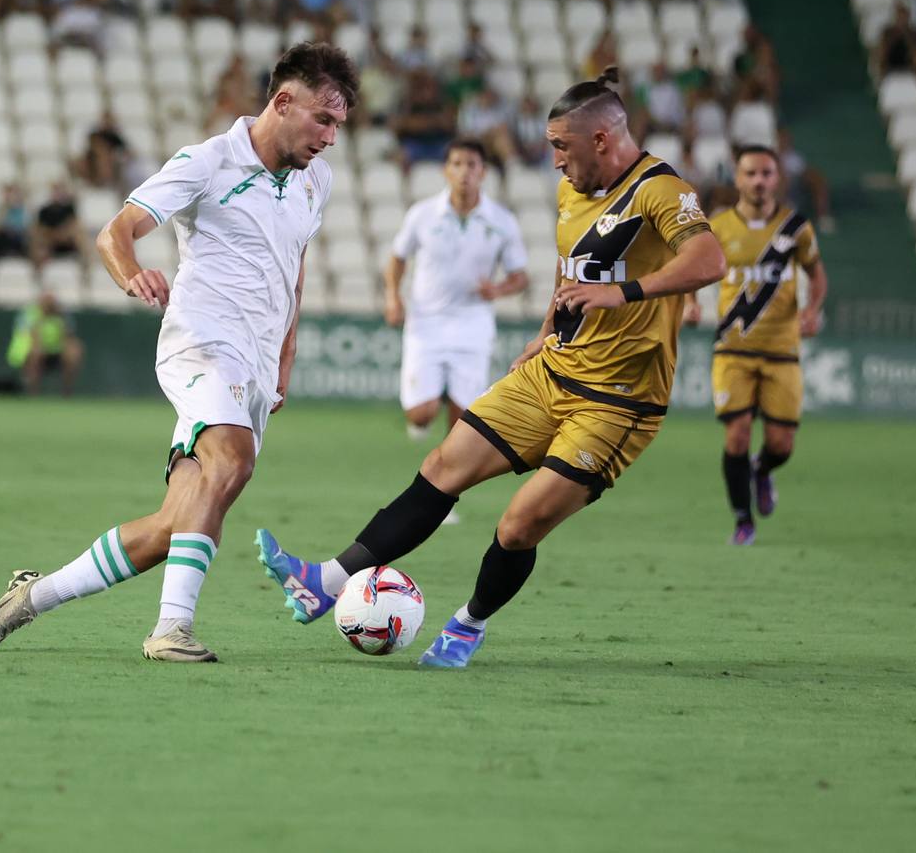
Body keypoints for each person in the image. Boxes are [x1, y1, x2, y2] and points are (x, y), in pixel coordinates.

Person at [256, 67, 726, 668]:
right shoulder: (573, 190)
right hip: (552, 370)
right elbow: (572, 269)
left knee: (519, 523)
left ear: (602, 140)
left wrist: (627, 293)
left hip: (618, 400)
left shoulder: (661, 190)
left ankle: (467, 624)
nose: (554, 160)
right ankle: (324, 581)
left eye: (562, 146)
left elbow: (708, 259)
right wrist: (542, 335)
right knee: (441, 466)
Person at [0, 42, 359, 662]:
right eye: (324, 119)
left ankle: (31, 597)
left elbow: (295, 272)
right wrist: (132, 274)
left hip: (254, 361)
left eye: (338, 124)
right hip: (201, 341)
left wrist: (285, 355)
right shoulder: (206, 162)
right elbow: (114, 231)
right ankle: (171, 628)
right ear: (283, 101)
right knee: (232, 459)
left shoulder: (317, 181)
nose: (331, 137)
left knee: (174, 524)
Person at [683, 145, 827, 546]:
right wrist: (692, 304)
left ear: (776, 178)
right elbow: (693, 271)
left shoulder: (796, 228)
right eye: (750, 174)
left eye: (766, 173)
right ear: (737, 178)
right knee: (737, 437)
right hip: (732, 348)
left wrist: (813, 308)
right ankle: (743, 520)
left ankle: (762, 470)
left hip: (783, 349)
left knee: (781, 445)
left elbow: (817, 275)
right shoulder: (718, 227)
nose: (759, 181)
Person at [382, 137, 528, 478]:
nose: (465, 172)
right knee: (421, 414)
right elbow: (397, 258)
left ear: (484, 171)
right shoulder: (423, 214)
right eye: (458, 164)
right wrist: (393, 296)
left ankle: (441, 487)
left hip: (472, 324)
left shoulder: (501, 220)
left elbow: (520, 276)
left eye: (472, 165)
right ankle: (430, 406)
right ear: (446, 170)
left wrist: (499, 289)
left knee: (464, 421)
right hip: (425, 322)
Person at [6, 292, 84, 396]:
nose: (50, 305)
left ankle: (67, 392)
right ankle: (33, 392)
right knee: (36, 353)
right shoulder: (32, 314)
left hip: (55, 352)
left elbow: (68, 337)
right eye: (47, 302)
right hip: (33, 353)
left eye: (52, 302)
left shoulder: (61, 315)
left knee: (74, 350)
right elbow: (33, 338)